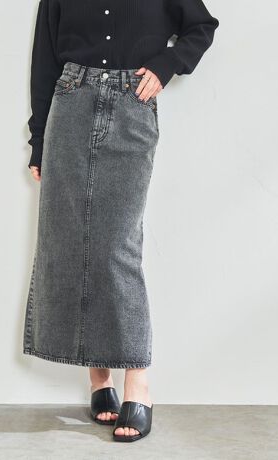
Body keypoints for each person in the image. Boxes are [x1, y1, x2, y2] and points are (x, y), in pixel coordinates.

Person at [23, 0, 219, 442]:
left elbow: (202, 26)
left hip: (133, 104)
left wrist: (166, 65)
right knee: (69, 243)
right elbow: (45, 60)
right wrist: (38, 141)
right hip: (70, 106)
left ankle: (138, 382)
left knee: (116, 249)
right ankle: (100, 380)